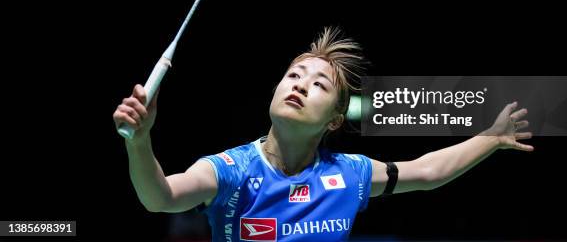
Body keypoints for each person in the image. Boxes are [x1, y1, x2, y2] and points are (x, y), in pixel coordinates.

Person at [113, 27, 533, 241]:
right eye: (293, 74)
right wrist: (140, 140)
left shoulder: (349, 174)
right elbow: (160, 198)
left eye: (318, 84)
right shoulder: (230, 171)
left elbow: (426, 172)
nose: (298, 84)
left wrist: (491, 138)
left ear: (334, 119)